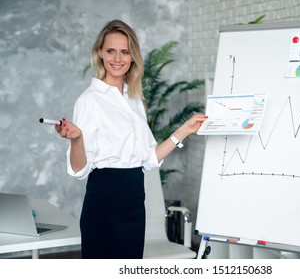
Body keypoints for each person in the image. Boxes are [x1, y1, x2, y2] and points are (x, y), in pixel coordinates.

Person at [55, 19, 207, 259]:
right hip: (104, 201)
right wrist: (76, 139)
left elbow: (148, 158)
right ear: (100, 53)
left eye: (124, 51)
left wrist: (184, 131)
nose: (117, 59)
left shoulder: (134, 100)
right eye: (111, 51)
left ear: (133, 56)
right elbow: (78, 170)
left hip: (135, 201)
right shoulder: (89, 100)